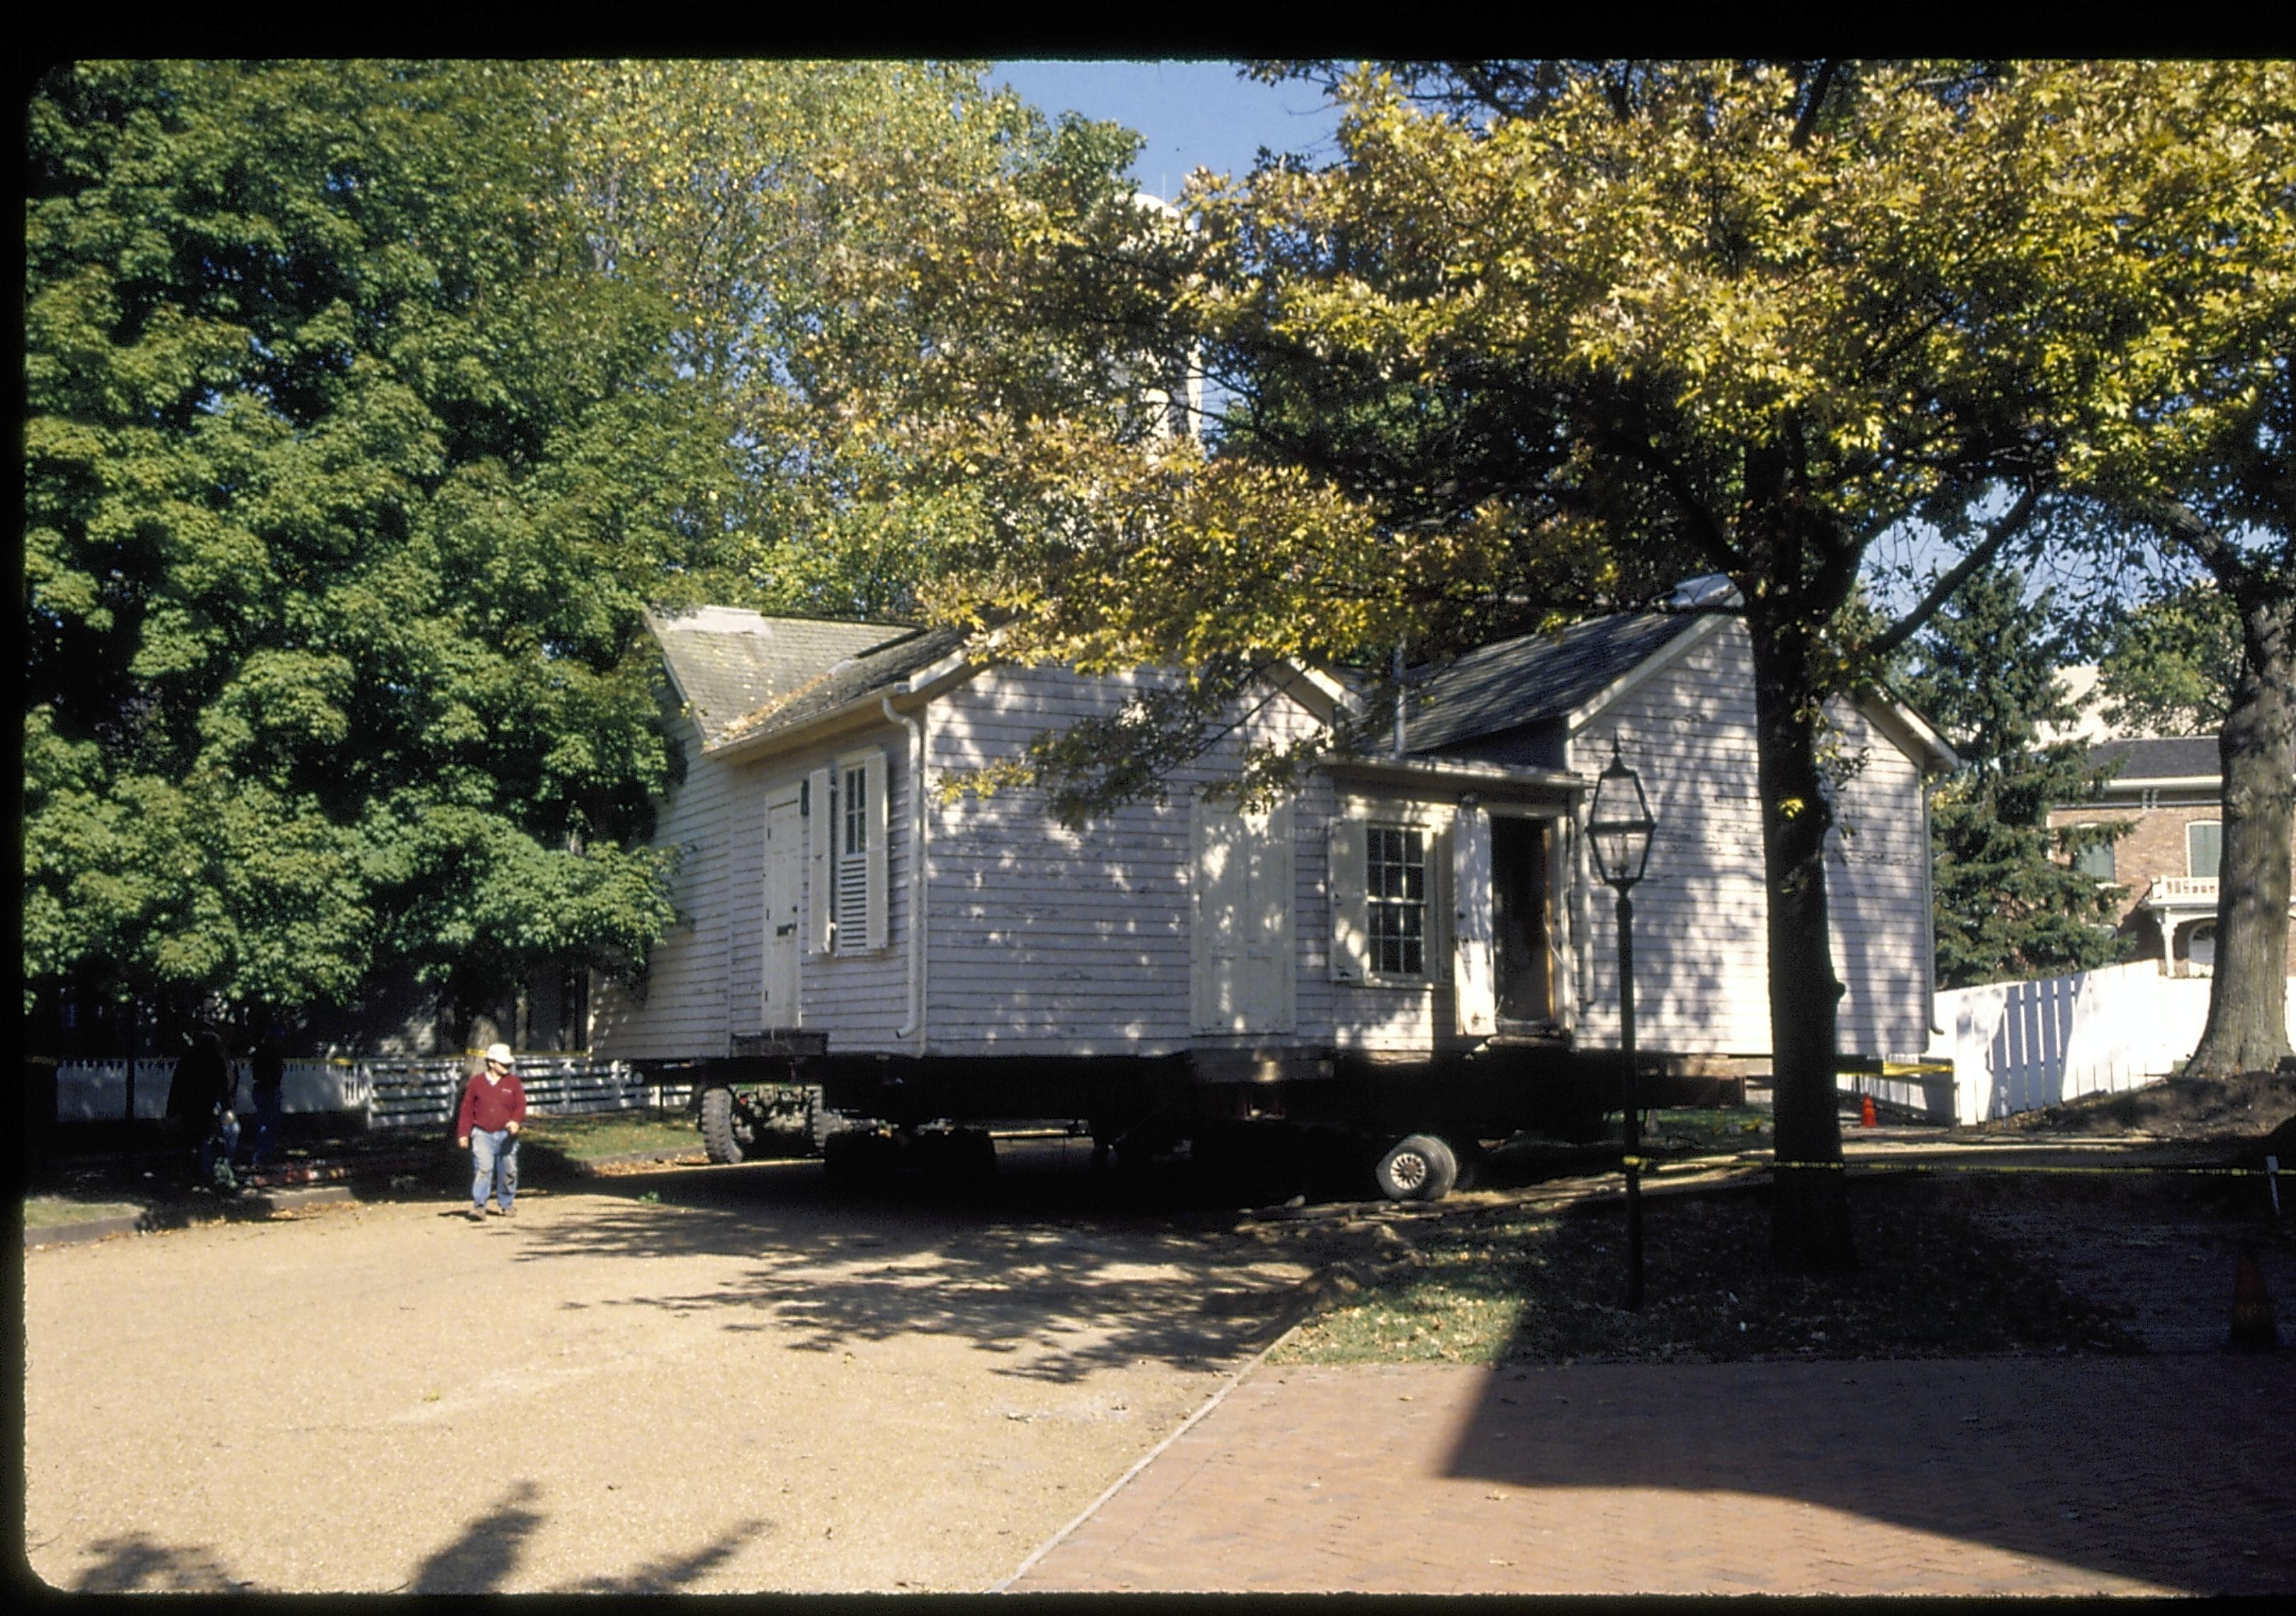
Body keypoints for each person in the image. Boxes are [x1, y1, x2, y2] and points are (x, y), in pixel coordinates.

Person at [456, 1042, 526, 1221]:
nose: (507, 1067)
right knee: (483, 1169)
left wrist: (516, 1122)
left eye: (508, 1064)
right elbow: (467, 1109)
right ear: (491, 1063)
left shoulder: (514, 1082)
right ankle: (480, 1206)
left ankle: (506, 1203)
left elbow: (520, 1106)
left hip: (506, 1133)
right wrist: (463, 1133)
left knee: (509, 1170)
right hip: (482, 1133)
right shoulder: (477, 1083)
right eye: (503, 1064)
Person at [166, 1029, 238, 1192]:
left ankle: (193, 1174)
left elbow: (176, 1086)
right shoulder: (216, 1060)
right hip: (207, 1107)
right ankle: (210, 1174)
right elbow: (223, 1088)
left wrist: (171, 1110)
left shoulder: (187, 1059)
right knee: (210, 1140)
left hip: (189, 1107)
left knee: (192, 1142)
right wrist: (227, 1108)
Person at [242, 1027, 286, 1172]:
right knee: (267, 1125)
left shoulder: (262, 1052)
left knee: (269, 1124)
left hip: (266, 1089)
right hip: (267, 1090)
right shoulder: (269, 1053)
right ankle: (261, 1158)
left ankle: (265, 1157)